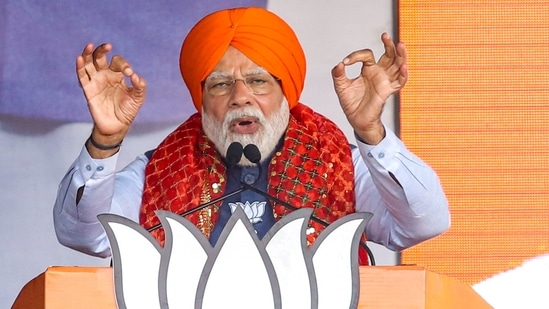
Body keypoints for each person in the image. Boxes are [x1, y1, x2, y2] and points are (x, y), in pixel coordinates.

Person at [53, 7, 450, 265]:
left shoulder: (339, 164)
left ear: (285, 93)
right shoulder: (158, 169)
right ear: (202, 100)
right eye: (221, 84)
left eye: (258, 81)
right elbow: (83, 235)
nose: (241, 97)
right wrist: (105, 139)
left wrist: (371, 133)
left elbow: (423, 223)